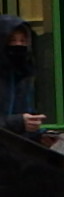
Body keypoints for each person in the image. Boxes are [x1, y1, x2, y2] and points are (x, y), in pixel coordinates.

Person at [0, 15, 51, 144]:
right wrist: (18, 123)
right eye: (12, 40)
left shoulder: (23, 76)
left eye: (23, 41)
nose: (18, 45)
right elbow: (19, 122)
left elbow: (27, 116)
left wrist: (39, 135)